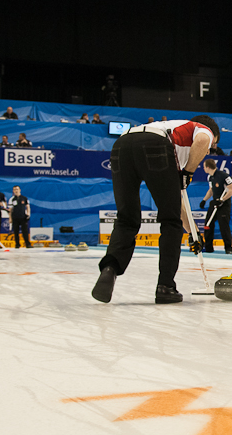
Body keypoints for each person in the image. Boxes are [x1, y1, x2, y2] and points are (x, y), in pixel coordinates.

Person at [92, 115, 220, 304]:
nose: (209, 150)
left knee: (126, 218)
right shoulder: (200, 129)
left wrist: (193, 232)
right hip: (154, 145)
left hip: (121, 145)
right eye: (213, 145)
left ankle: (109, 268)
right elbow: (202, 140)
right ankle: (165, 286)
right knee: (170, 221)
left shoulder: (174, 138)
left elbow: (177, 200)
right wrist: (189, 172)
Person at [199, 159, 232, 254]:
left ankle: (228, 248)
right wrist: (204, 200)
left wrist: (222, 199)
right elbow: (211, 190)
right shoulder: (210, 177)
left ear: (207, 167)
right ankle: (208, 247)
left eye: (204, 166)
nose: (203, 168)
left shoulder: (223, 176)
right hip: (214, 203)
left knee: (224, 226)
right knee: (208, 224)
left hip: (224, 204)